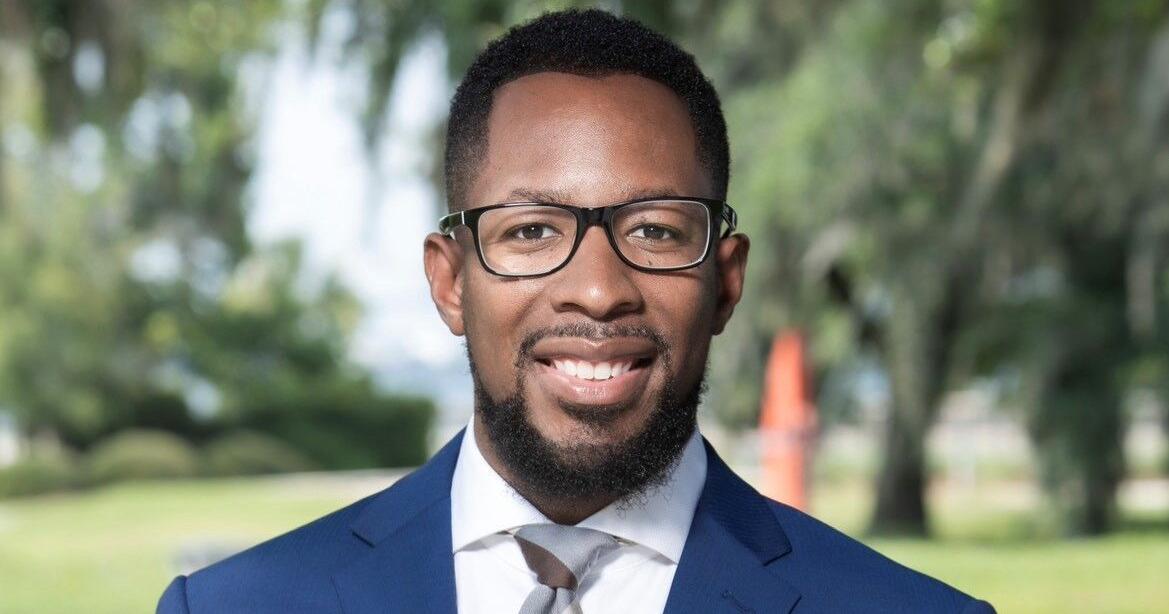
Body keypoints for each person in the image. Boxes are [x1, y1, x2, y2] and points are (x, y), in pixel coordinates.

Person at [157, 9, 995, 613]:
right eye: (530, 230)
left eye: (655, 230)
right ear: (450, 282)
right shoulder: (236, 606)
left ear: (725, 283)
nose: (597, 290)